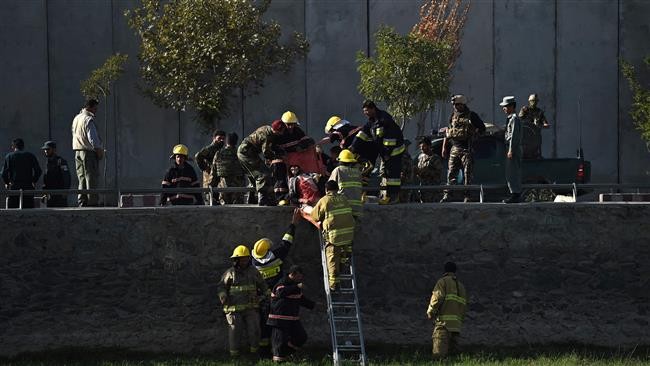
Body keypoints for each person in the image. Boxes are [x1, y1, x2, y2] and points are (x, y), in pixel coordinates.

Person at [252, 209, 301, 354]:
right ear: (268, 251)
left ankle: (263, 351)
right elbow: (286, 242)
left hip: (263, 298)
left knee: (264, 324)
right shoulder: (276, 256)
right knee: (280, 324)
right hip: (279, 295)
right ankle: (281, 349)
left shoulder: (254, 261)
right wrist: (293, 224)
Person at [217, 245, 268, 357]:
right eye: (242, 258)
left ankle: (254, 354)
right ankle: (234, 356)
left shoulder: (254, 271)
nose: (244, 260)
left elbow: (263, 285)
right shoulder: (230, 273)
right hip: (234, 309)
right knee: (234, 332)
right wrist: (223, 296)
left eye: (246, 258)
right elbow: (221, 287)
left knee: (255, 330)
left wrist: (266, 296)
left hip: (251, 308)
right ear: (236, 259)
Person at [310, 180, 355, 291]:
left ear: (326, 190)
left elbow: (315, 216)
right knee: (344, 252)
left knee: (332, 258)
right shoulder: (344, 198)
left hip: (334, 237)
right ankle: (344, 260)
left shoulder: (325, 200)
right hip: (349, 235)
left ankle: (334, 284)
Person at [440, 95, 486, 203]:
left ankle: (467, 196)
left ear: (462, 104)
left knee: (467, 174)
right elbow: (448, 132)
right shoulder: (452, 116)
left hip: (466, 149)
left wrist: (475, 135)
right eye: (454, 105)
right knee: (451, 173)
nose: (455, 107)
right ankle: (448, 195)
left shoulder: (471, 115)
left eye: (457, 104)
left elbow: (482, 129)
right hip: (454, 148)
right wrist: (444, 147)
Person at [267, 265, 315, 363]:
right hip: (279, 319)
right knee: (279, 341)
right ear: (293, 274)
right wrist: (296, 286)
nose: (301, 278)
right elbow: (280, 292)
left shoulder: (295, 286)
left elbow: (301, 299)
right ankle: (278, 361)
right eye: (299, 276)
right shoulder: (282, 282)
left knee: (301, 337)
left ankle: (288, 354)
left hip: (292, 319)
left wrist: (314, 305)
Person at [362, 100, 404, 205]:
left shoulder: (384, 119)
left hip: (394, 152)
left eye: (367, 111)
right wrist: (354, 146)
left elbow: (390, 140)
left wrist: (386, 154)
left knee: (393, 176)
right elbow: (364, 132)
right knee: (387, 175)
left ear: (373, 109)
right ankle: (388, 196)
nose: (365, 113)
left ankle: (393, 197)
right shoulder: (372, 120)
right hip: (387, 153)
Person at [238, 120, 286, 206]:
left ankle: (251, 198)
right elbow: (266, 152)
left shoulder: (266, 128)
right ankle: (263, 199)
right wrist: (275, 156)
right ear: (277, 130)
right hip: (247, 153)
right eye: (282, 131)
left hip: (245, 152)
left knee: (253, 175)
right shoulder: (268, 136)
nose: (282, 133)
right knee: (263, 173)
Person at [426, 261, 467, 359]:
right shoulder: (461, 286)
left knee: (439, 357)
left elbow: (437, 298)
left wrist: (430, 311)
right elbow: (463, 306)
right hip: (456, 327)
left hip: (443, 325)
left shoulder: (442, 282)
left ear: (445, 271)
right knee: (454, 358)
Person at [71, 99, 104, 207]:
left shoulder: (76, 118)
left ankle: (82, 201)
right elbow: (93, 138)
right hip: (88, 152)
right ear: (90, 107)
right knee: (91, 178)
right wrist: (99, 151)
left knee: (81, 178)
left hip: (77, 151)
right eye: (95, 108)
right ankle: (92, 202)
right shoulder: (88, 119)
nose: (96, 110)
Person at [1, 138, 42, 208]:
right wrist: (33, 181)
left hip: (14, 187)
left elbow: (3, 173)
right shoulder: (30, 156)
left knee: (13, 211)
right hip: (28, 187)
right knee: (28, 211)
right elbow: (38, 171)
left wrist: (7, 183)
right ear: (23, 147)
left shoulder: (9, 156)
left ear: (13, 146)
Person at [328, 149, 363, 218]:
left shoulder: (338, 170)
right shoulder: (358, 172)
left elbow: (329, 187)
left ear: (340, 161)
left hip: (343, 206)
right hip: (357, 209)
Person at [501, 96, 523, 203]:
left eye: (505, 106)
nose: (503, 108)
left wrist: (511, 150)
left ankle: (515, 195)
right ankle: (514, 194)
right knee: (510, 172)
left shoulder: (514, 119)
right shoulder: (511, 118)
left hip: (513, 148)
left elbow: (514, 136)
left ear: (511, 106)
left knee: (513, 172)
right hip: (511, 147)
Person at [213, 133, 245, 204]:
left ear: (226, 141)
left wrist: (211, 187)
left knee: (223, 211)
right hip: (238, 189)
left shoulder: (218, 153)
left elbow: (213, 172)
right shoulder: (240, 154)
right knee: (239, 211)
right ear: (236, 142)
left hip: (223, 187)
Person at [195, 130, 225, 204]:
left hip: (218, 181)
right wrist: (205, 168)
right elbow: (198, 156)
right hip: (209, 179)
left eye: (223, 139)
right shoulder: (210, 148)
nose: (221, 140)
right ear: (214, 138)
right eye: (219, 138)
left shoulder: (221, 149)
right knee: (210, 201)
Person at [518, 93, 550, 159]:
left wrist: (541, 124)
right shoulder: (525, 109)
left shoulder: (539, 111)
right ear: (529, 101)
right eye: (533, 101)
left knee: (537, 148)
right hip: (526, 134)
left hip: (536, 134)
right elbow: (519, 120)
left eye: (536, 101)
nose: (534, 103)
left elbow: (545, 123)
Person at [41, 141, 71, 207]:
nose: (46, 151)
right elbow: (46, 179)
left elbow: (66, 177)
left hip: (59, 194)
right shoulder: (47, 163)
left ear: (54, 150)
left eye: (48, 149)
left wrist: (65, 191)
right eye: (45, 149)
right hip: (50, 195)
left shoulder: (60, 161)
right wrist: (44, 192)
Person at [414, 138, 443, 203]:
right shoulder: (420, 157)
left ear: (429, 146)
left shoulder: (435, 158)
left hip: (432, 188)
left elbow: (439, 173)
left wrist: (426, 172)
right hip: (422, 186)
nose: (421, 148)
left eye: (424, 146)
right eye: (420, 147)